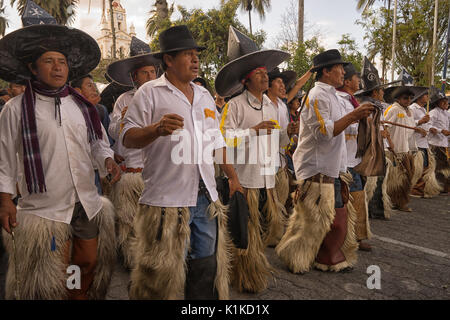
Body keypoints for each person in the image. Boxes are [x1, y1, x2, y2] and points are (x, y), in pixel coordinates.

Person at [0, 4, 120, 300]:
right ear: (32, 67)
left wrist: (106, 159)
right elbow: (3, 160)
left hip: (85, 201)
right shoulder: (15, 110)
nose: (57, 68)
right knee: (55, 270)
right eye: (48, 61)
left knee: (87, 262)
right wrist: (4, 201)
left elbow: (98, 142)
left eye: (62, 62)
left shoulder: (81, 106)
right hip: (46, 208)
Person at [122, 25, 242, 300]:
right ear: (168, 60)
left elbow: (217, 141)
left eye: (196, 54)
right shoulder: (150, 93)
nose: (196, 60)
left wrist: (233, 178)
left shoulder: (203, 95)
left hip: (205, 197)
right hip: (167, 199)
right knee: (161, 273)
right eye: (188, 54)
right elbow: (127, 138)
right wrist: (156, 129)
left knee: (206, 265)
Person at [276, 49, 374, 274]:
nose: (343, 72)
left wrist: (360, 119)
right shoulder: (318, 95)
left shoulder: (333, 95)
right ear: (326, 72)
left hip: (333, 165)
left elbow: (342, 127)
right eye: (339, 68)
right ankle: (296, 255)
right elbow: (325, 132)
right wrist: (355, 116)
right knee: (314, 219)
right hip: (317, 166)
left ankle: (326, 257)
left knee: (332, 217)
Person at [216, 26, 290, 292]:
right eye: (259, 74)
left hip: (266, 179)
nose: (265, 77)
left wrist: (286, 135)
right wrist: (253, 131)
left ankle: (251, 273)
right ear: (246, 81)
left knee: (259, 231)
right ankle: (244, 276)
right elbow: (223, 140)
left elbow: (276, 141)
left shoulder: (271, 105)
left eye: (265, 73)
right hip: (243, 179)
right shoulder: (234, 105)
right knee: (243, 232)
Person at [106, 36, 161, 269]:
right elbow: (114, 133)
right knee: (128, 220)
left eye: (152, 72)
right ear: (133, 77)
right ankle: (132, 260)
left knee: (155, 222)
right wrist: (122, 118)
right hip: (131, 173)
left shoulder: (164, 96)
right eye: (144, 73)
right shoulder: (123, 100)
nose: (150, 77)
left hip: (156, 173)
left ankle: (154, 260)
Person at [336, 63, 372, 251]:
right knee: (346, 201)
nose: (359, 81)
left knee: (357, 198)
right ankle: (346, 239)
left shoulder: (352, 101)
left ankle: (356, 237)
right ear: (348, 81)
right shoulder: (338, 100)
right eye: (357, 78)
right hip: (343, 161)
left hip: (354, 158)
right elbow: (338, 126)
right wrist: (356, 116)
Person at [355, 57, 394, 220]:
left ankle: (373, 210)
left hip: (374, 151)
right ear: (374, 93)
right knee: (366, 184)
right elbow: (363, 132)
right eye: (381, 90)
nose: (383, 93)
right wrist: (378, 134)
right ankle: (367, 212)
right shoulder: (365, 107)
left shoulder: (375, 107)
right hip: (366, 154)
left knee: (375, 183)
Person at [383, 84, 427, 212]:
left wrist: (418, 128)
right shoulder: (393, 109)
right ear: (398, 99)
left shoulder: (410, 111)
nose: (408, 101)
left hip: (406, 149)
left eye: (410, 98)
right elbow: (385, 127)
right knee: (398, 178)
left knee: (408, 176)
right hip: (395, 150)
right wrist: (390, 143)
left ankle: (401, 201)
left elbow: (411, 126)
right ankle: (398, 202)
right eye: (405, 98)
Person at [266, 67, 299, 211]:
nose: (283, 86)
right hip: (264, 164)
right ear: (268, 85)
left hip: (281, 162)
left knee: (280, 204)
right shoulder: (261, 104)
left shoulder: (282, 106)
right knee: (266, 206)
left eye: (283, 83)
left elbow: (286, 138)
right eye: (278, 82)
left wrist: (292, 133)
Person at [409, 88, 442, 198]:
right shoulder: (412, 108)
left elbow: (427, 126)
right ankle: (414, 189)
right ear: (419, 96)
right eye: (425, 95)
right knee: (418, 167)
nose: (427, 97)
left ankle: (420, 188)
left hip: (424, 142)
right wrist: (420, 123)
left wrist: (426, 128)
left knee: (426, 166)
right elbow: (408, 124)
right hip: (416, 143)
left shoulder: (423, 110)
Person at [428, 90, 450, 193]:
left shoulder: (446, 113)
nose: (446, 103)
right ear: (437, 103)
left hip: (444, 144)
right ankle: (436, 187)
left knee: (445, 167)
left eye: (446, 101)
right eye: (443, 102)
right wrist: (441, 131)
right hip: (435, 144)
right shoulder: (433, 113)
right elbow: (428, 126)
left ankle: (443, 187)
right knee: (437, 167)